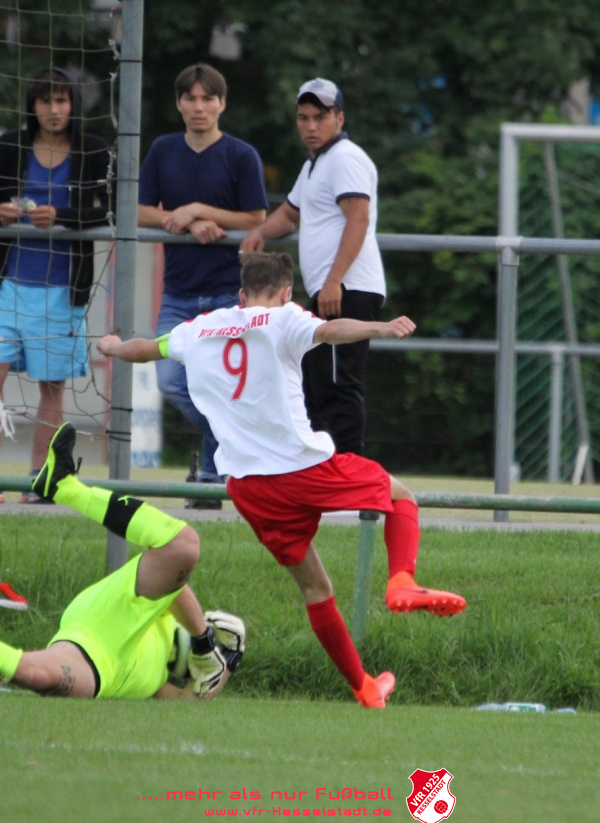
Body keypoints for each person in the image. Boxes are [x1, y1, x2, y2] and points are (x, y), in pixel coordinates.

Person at [96, 252, 466, 709]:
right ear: (287, 292)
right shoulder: (284, 318)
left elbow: (146, 349)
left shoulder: (200, 328)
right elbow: (331, 330)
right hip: (303, 468)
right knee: (400, 497)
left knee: (315, 589)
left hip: (250, 488)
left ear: (240, 294)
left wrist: (113, 347)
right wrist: (380, 327)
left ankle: (365, 688)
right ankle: (402, 580)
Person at [0, 423, 244, 700]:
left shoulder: (158, 682)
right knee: (183, 545)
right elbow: (178, 586)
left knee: (39, 677)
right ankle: (65, 488)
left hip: (100, 670)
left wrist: (228, 665)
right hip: (102, 624)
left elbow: (189, 703)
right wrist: (203, 639)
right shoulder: (166, 611)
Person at [0, 68, 113, 505]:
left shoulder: (94, 149)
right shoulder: (9, 145)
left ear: (73, 105)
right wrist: (1, 213)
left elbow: (111, 211)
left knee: (52, 385)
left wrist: (62, 217)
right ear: (33, 106)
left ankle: (40, 478)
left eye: (62, 101)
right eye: (45, 101)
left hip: (64, 289)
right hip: (7, 283)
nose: (54, 110)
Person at [138, 63, 268, 508]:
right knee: (171, 382)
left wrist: (197, 209)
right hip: (177, 291)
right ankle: (237, 442)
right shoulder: (162, 150)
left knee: (219, 387)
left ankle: (211, 480)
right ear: (178, 103)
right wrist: (185, 221)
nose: (199, 106)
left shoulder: (241, 155)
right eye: (190, 98)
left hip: (227, 293)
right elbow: (139, 210)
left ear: (221, 104)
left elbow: (255, 217)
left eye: (207, 98)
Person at [241, 78, 385, 457]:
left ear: (340, 118)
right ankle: (326, 468)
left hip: (347, 287)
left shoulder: (345, 158)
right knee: (317, 382)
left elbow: (358, 219)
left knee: (339, 383)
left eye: (320, 117)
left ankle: (350, 470)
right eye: (303, 118)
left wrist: (334, 280)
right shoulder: (315, 165)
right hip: (333, 287)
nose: (310, 126)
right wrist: (259, 233)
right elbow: (291, 214)